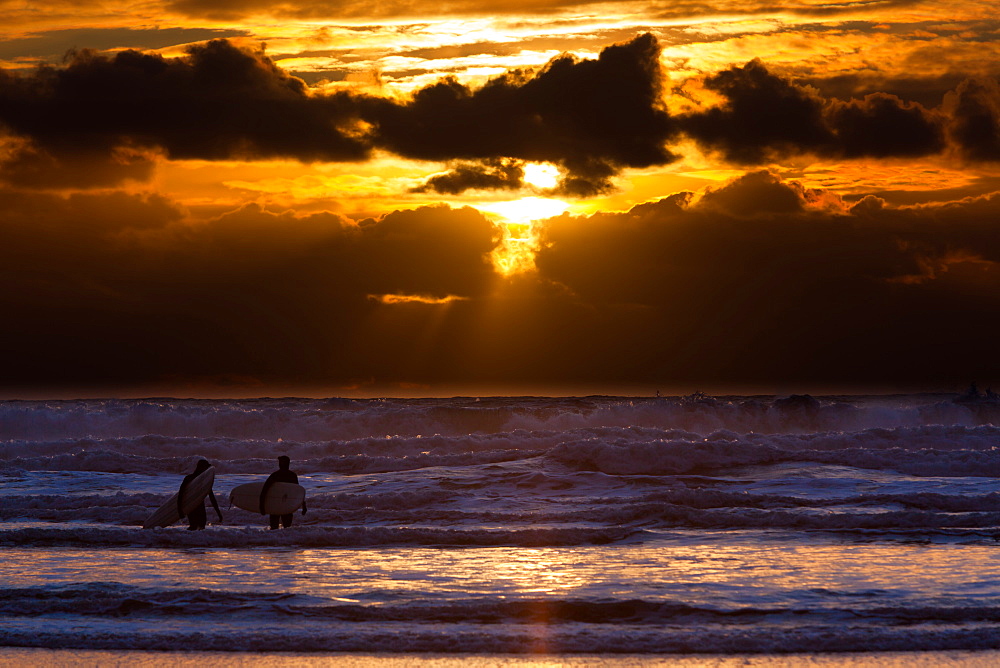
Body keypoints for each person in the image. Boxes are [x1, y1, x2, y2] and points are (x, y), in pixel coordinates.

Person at [260, 455, 306, 529]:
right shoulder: (288, 475)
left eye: (281, 463)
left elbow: (298, 492)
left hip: (281, 505)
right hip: (283, 505)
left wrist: (261, 506)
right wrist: (261, 506)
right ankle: (282, 540)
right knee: (285, 528)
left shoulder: (279, 475)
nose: (280, 464)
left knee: (278, 528)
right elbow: (265, 490)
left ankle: (278, 539)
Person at [178, 459, 223, 530]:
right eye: (205, 468)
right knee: (194, 528)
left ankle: (191, 540)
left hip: (200, 508)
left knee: (200, 528)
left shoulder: (204, 481)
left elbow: (212, 497)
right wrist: (180, 510)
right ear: (200, 467)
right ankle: (186, 539)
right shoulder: (189, 478)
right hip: (192, 508)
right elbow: (181, 495)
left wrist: (218, 513)